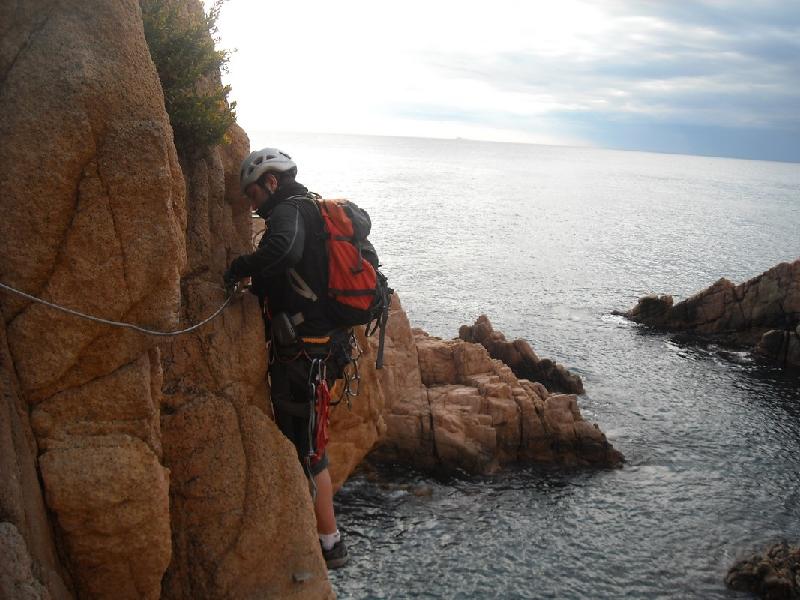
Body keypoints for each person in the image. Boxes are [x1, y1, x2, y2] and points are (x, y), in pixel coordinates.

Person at [224, 147, 350, 569]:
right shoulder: (312, 208)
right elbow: (291, 272)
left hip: (305, 356)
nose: (254, 206)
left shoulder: (288, 214)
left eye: (254, 196)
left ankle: (328, 545)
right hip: (320, 348)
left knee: (307, 449)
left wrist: (239, 265)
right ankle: (320, 534)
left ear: (272, 182)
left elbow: (283, 251)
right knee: (307, 444)